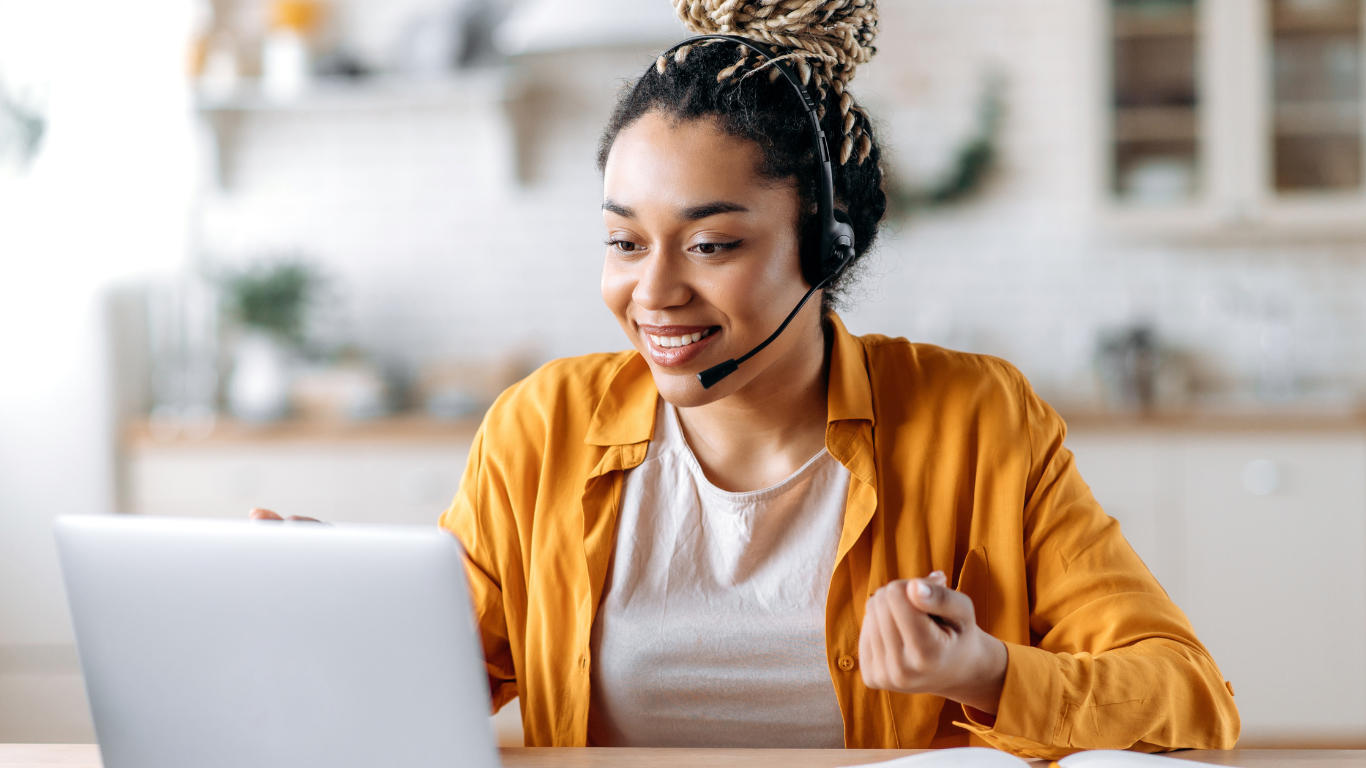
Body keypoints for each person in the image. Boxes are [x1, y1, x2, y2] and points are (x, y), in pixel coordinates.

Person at [259, 0, 1239, 757]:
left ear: (824, 241)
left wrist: (987, 672)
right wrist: (339, 613)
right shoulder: (543, 426)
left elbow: (1189, 700)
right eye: (622, 241)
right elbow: (429, 692)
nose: (653, 292)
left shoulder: (977, 421)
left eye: (713, 243)